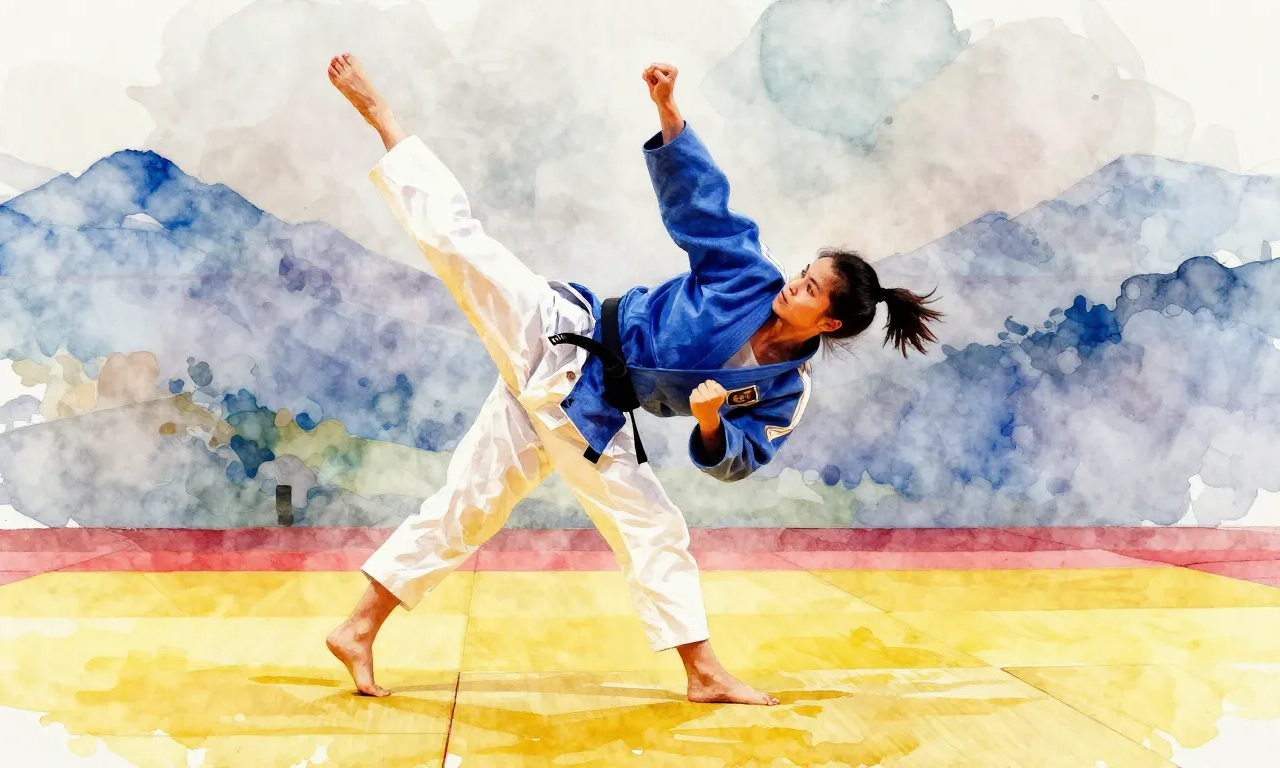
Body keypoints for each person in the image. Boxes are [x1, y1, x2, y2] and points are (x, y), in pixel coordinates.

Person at [324, 53, 943, 705]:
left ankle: (357, 630)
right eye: (803, 273)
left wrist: (711, 425)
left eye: (810, 289)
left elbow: (742, 458)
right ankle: (381, 115)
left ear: (829, 323)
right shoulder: (749, 275)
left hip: (590, 411)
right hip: (566, 333)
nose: (794, 284)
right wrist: (669, 112)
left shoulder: (786, 389)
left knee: (600, 521)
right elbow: (703, 205)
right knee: (462, 247)